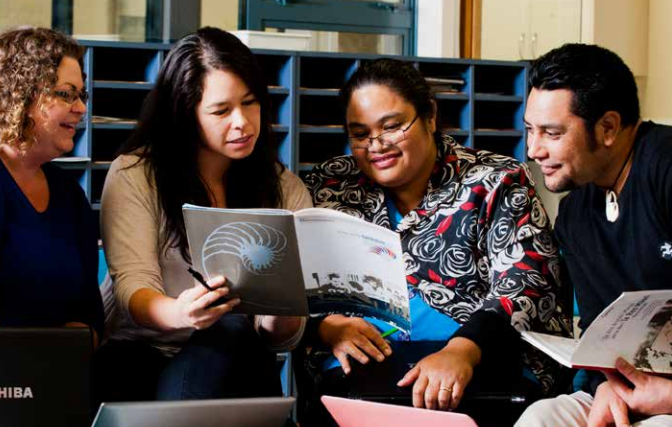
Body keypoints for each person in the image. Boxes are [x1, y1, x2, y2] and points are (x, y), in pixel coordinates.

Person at [303, 58, 571, 425]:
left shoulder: (496, 180)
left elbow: (528, 281)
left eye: (392, 127)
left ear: (429, 116)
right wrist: (324, 326)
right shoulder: (332, 184)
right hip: (363, 367)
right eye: (360, 134)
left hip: (478, 361)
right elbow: (298, 283)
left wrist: (461, 351)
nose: (376, 146)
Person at [97, 27, 311, 402]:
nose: (242, 122)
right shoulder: (135, 175)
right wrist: (182, 312)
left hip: (230, 357)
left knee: (235, 335)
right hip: (140, 356)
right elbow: (133, 287)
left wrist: (284, 306)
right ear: (184, 113)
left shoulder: (285, 189)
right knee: (230, 332)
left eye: (250, 103)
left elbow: (280, 337)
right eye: (221, 110)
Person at [516, 43, 672, 427]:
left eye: (551, 133)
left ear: (607, 128)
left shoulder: (665, 168)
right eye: (530, 130)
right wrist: (606, 386)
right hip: (628, 387)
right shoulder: (574, 214)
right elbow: (601, 333)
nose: (534, 150)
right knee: (543, 416)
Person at [0, 27, 104, 340]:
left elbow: (89, 314)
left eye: (81, 95)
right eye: (65, 94)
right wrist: (20, 378)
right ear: (19, 94)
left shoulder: (66, 193)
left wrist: (55, 365)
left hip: (50, 377)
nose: (81, 108)